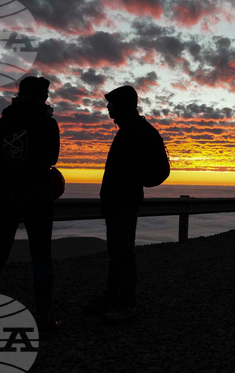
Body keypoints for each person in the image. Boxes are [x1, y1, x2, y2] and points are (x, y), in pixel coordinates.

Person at [0, 76, 62, 334]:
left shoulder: (5, 121)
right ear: (42, 96)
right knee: (41, 256)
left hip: (5, 193)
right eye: (46, 92)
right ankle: (44, 317)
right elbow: (51, 157)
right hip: (37, 193)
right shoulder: (48, 123)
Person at [84, 85, 167, 323]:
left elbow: (129, 171)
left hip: (124, 201)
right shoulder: (131, 129)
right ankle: (113, 297)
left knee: (123, 252)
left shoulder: (132, 131)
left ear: (121, 105)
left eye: (111, 103)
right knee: (117, 252)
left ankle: (126, 303)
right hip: (120, 201)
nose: (107, 107)